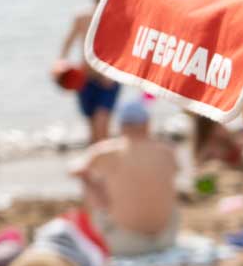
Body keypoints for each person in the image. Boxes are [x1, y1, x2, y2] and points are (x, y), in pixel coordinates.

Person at [71, 98, 179, 256]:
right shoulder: (167, 151)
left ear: (121, 125)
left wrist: (97, 186)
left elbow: (74, 169)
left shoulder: (107, 151)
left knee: (87, 178)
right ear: (148, 124)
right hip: (166, 240)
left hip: (125, 244)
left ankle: (94, 237)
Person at [57, 0, 121, 145]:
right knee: (92, 128)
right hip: (85, 78)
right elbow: (68, 42)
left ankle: (107, 165)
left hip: (108, 78)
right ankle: (97, 166)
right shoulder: (82, 17)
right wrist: (61, 63)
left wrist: (112, 73)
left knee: (102, 124)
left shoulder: (118, 18)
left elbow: (123, 48)